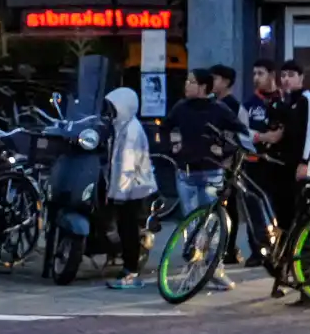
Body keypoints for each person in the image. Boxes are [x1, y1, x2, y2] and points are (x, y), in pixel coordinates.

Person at [163, 68, 248, 290]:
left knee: (213, 223)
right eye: (187, 81)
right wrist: (174, 146)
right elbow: (166, 128)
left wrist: (225, 151)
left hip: (212, 173)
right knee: (190, 225)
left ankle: (214, 270)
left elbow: (240, 131)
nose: (186, 85)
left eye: (191, 82)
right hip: (186, 173)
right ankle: (193, 270)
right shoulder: (180, 108)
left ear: (203, 87)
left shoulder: (218, 109)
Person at [103, 87, 158, 290]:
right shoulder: (122, 126)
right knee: (127, 228)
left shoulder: (130, 131)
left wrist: (117, 194)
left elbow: (126, 165)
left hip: (133, 189)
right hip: (130, 188)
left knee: (128, 230)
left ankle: (130, 271)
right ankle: (128, 266)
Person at [239, 59, 287, 267]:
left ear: (271, 75)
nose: (256, 78)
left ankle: (283, 248)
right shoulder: (248, 104)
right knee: (254, 206)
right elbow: (241, 132)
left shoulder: (284, 100)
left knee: (279, 207)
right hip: (254, 162)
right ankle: (258, 250)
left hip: (279, 163)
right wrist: (261, 137)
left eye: (261, 73)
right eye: (254, 73)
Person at [278, 60, 310, 223]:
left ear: (301, 77)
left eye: (291, 75)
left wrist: (305, 161)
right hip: (287, 160)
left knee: (303, 203)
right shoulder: (288, 101)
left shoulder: (308, 99)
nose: (286, 79)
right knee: (288, 204)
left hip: (303, 160)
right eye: (283, 76)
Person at [210, 63, 245, 263]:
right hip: (214, 161)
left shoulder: (233, 106)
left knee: (229, 205)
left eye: (215, 79)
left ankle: (229, 248)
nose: (211, 83)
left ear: (226, 82)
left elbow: (238, 136)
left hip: (229, 162)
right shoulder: (213, 103)